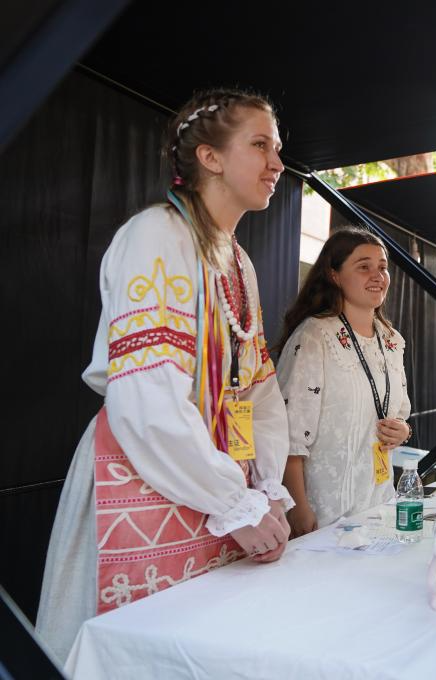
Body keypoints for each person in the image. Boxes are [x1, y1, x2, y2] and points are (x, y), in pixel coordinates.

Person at [35, 90, 294, 662]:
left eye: (277, 149)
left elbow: (255, 393)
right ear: (210, 156)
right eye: (260, 145)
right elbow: (145, 399)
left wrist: (263, 487)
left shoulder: (239, 263)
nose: (277, 163)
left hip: (217, 489)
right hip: (145, 474)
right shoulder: (156, 235)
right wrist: (234, 501)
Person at [275, 227, 412, 536]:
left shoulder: (392, 340)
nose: (378, 276)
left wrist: (402, 430)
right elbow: (288, 434)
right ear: (334, 275)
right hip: (325, 512)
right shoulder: (315, 336)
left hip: (378, 504)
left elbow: (400, 412)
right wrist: (297, 507)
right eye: (364, 266)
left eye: (382, 267)